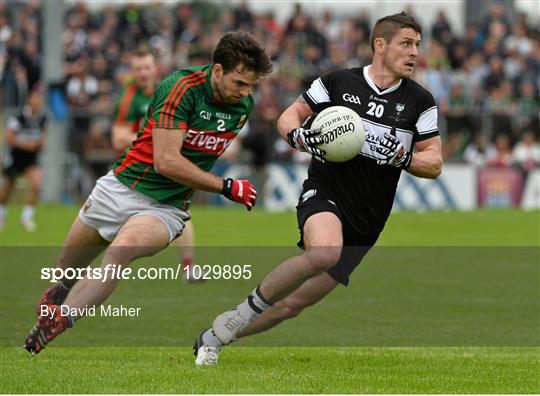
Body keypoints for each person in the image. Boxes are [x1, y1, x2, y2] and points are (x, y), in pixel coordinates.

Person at [194, 12, 443, 366]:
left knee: (290, 306)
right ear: (380, 45)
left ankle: (215, 335)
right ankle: (238, 315)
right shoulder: (339, 82)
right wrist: (297, 136)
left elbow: (434, 162)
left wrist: (404, 159)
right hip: (325, 190)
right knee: (325, 250)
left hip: (368, 220)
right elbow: (290, 115)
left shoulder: (420, 101)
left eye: (418, 44)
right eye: (406, 43)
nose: (414, 52)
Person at [23, 30, 273, 354]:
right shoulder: (180, 88)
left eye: (252, 85)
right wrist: (226, 186)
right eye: (240, 83)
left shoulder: (242, 107)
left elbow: (193, 157)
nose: (246, 92)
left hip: (165, 207)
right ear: (217, 70)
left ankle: (62, 320)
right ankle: (58, 296)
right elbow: (166, 161)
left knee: (119, 252)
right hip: (121, 187)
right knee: (64, 272)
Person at [111, 44, 199, 281]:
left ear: (155, 69)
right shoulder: (128, 96)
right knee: (119, 220)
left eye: (147, 67)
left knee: (180, 210)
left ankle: (189, 267)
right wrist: (153, 139)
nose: (143, 73)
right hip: (135, 168)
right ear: (132, 71)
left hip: (164, 164)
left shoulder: (168, 91)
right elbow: (117, 137)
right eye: (138, 68)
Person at [0, 88, 47, 232]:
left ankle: (26, 219)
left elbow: (43, 138)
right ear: (29, 101)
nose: (37, 102)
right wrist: (28, 145)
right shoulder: (18, 117)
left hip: (31, 158)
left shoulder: (42, 118)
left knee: (37, 185)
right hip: (16, 157)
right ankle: (1, 216)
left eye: (39, 100)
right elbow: (9, 138)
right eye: (34, 99)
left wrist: (40, 144)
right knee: (8, 188)